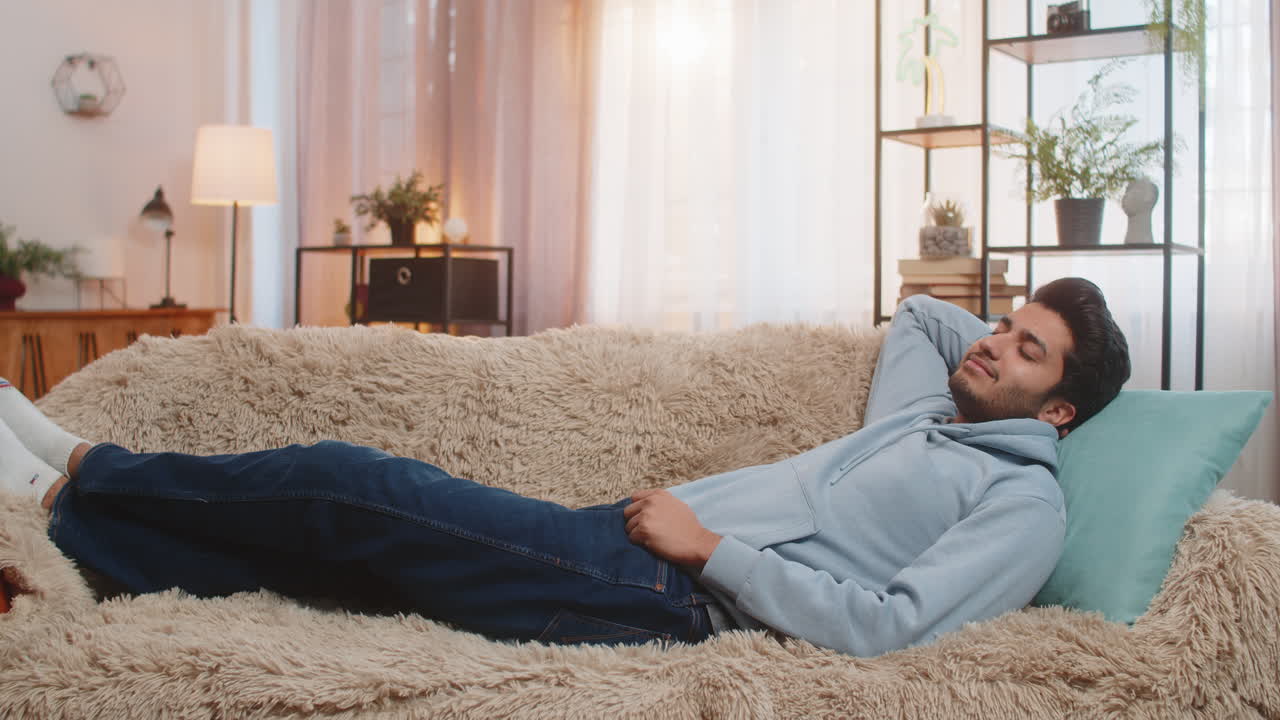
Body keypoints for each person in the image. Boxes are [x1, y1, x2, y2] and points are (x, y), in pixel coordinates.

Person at [0, 277, 1129, 658]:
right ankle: (57, 507)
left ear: (1063, 409)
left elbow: (895, 628)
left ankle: (81, 462)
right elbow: (921, 316)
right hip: (628, 542)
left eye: (1026, 348)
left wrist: (713, 548)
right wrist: (1002, 331)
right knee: (335, 563)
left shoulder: (1017, 499)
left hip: (675, 592)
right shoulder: (927, 414)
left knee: (358, 485)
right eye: (1004, 322)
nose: (989, 342)